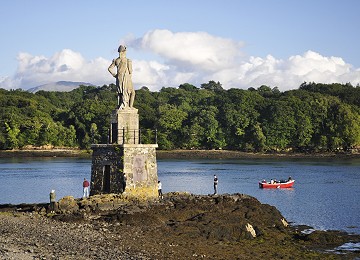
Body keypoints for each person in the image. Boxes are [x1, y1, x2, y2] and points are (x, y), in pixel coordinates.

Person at [108, 45, 135, 109]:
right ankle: (130, 106)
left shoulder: (116, 60)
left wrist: (115, 75)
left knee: (121, 93)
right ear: (124, 52)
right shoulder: (128, 60)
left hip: (119, 78)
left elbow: (110, 69)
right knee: (132, 92)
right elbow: (130, 71)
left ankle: (120, 105)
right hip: (126, 78)